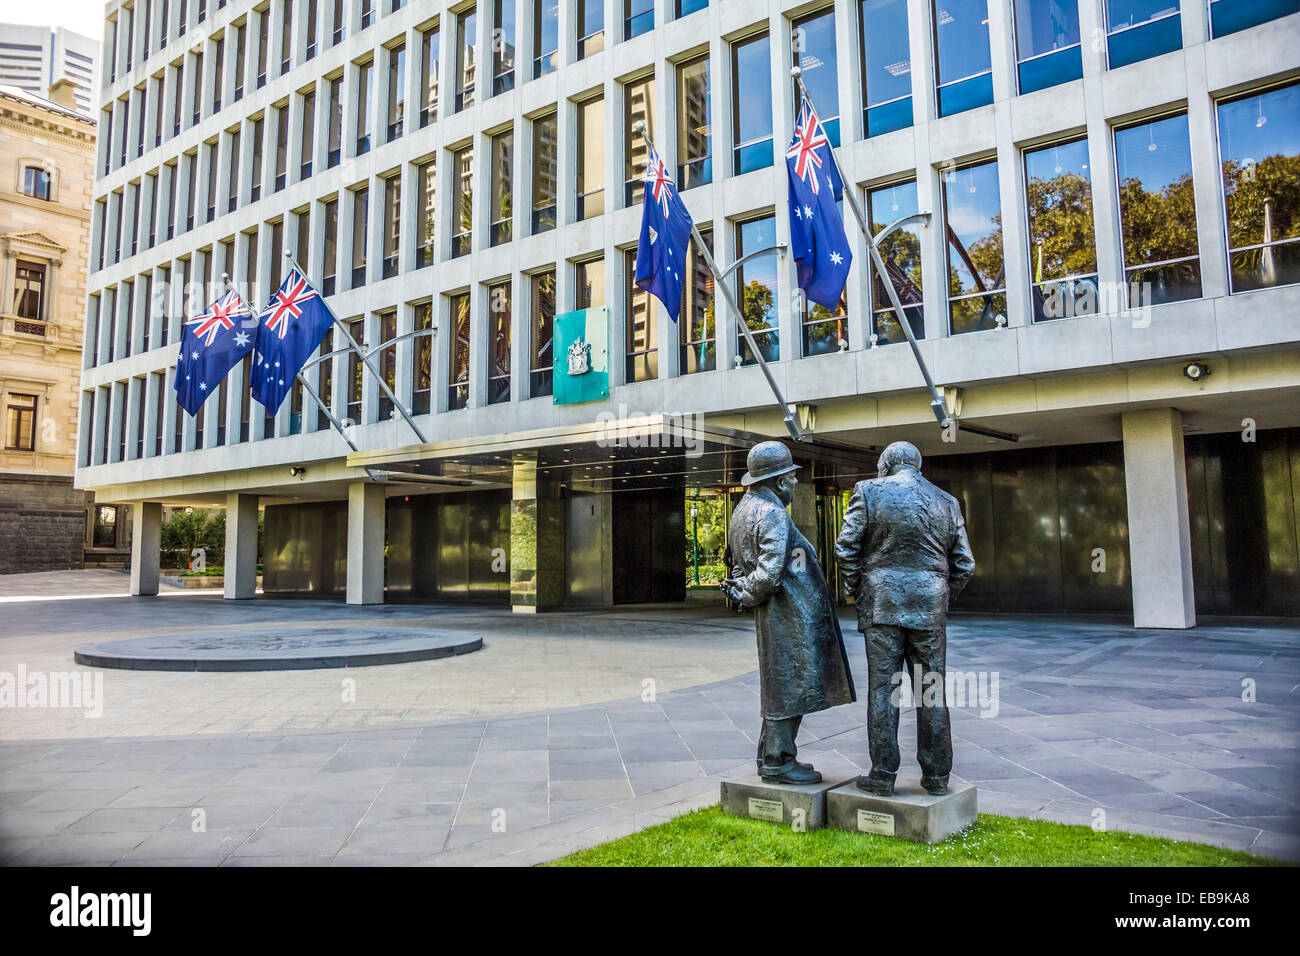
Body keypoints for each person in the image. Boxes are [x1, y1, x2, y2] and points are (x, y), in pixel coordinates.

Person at [834, 440, 975, 797]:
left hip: (883, 604)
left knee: (884, 690)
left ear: (887, 465)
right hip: (929, 609)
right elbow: (965, 564)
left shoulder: (868, 491)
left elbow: (845, 548)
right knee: (932, 692)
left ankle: (883, 775)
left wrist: (859, 591)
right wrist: (940, 597)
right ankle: (937, 777)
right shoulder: (947, 501)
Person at [721, 441, 856, 784]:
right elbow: (768, 572)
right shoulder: (772, 514)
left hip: (776, 613)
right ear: (779, 481)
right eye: (792, 478)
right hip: (791, 614)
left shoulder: (743, 510)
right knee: (790, 685)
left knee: (781, 683)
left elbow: (738, 566)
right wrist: (748, 593)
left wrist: (741, 590)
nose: (796, 483)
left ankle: (771, 755)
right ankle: (779, 761)